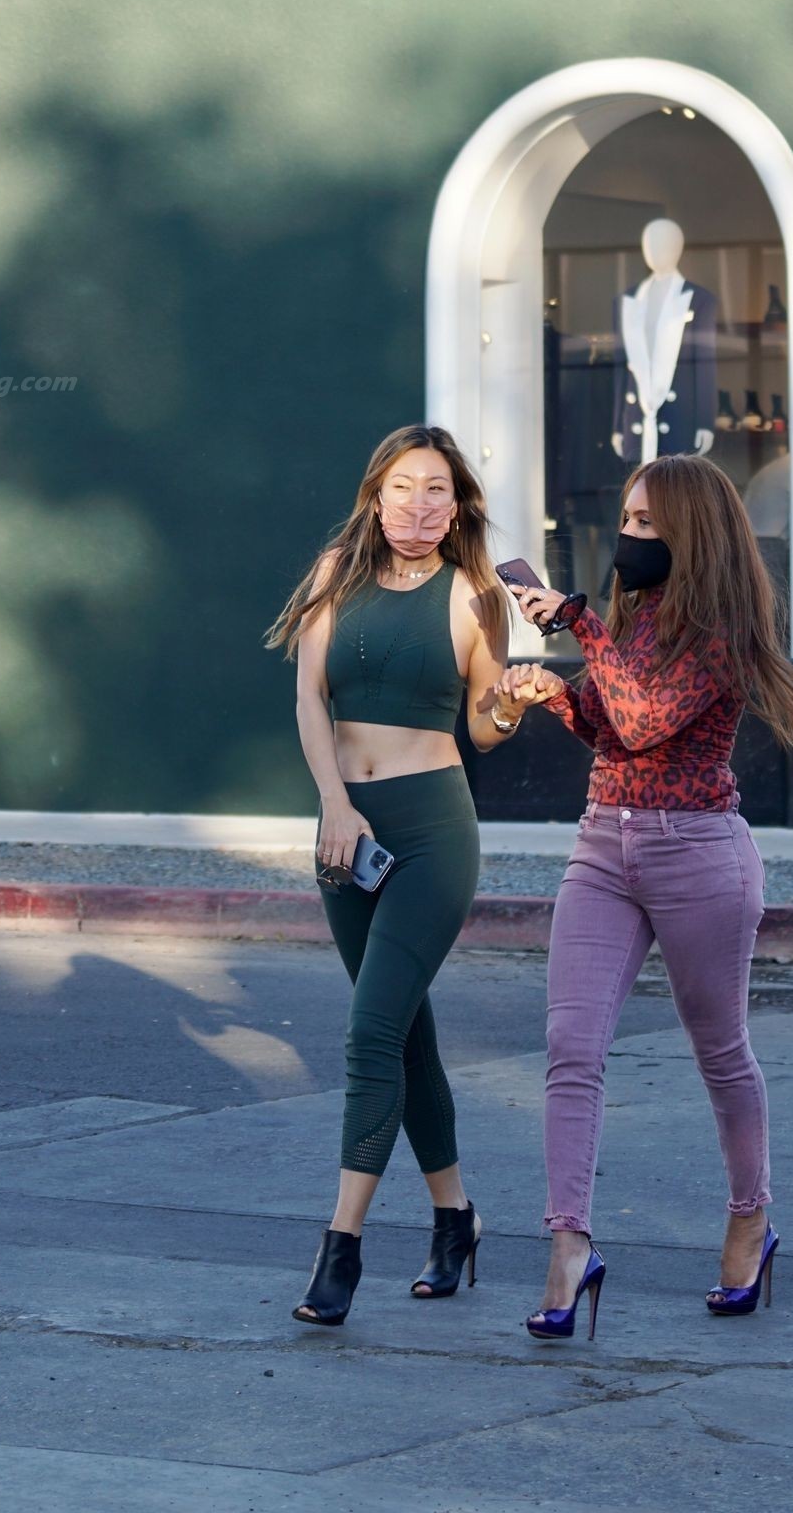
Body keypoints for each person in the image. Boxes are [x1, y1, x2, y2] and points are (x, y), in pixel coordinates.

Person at [496, 453, 793, 1338]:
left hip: (699, 854)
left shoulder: (723, 631)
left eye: (646, 523)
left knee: (721, 1052)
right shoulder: (638, 619)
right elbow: (612, 728)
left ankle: (750, 1220)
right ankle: (568, 1245)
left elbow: (646, 722)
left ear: (691, 532)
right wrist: (554, 696)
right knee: (571, 1047)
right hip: (604, 843)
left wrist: (576, 621)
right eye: (627, 519)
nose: (629, 535)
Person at [266, 423, 524, 1327]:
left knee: (370, 1031)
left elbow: (484, 727)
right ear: (377, 497)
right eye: (404, 487)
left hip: (431, 832)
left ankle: (340, 1248)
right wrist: (335, 805)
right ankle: (456, 1219)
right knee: (404, 1036)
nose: (419, 504)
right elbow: (310, 697)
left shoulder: (477, 595)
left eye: (437, 490)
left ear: (457, 506)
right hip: (348, 832)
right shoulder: (335, 573)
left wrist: (510, 705)